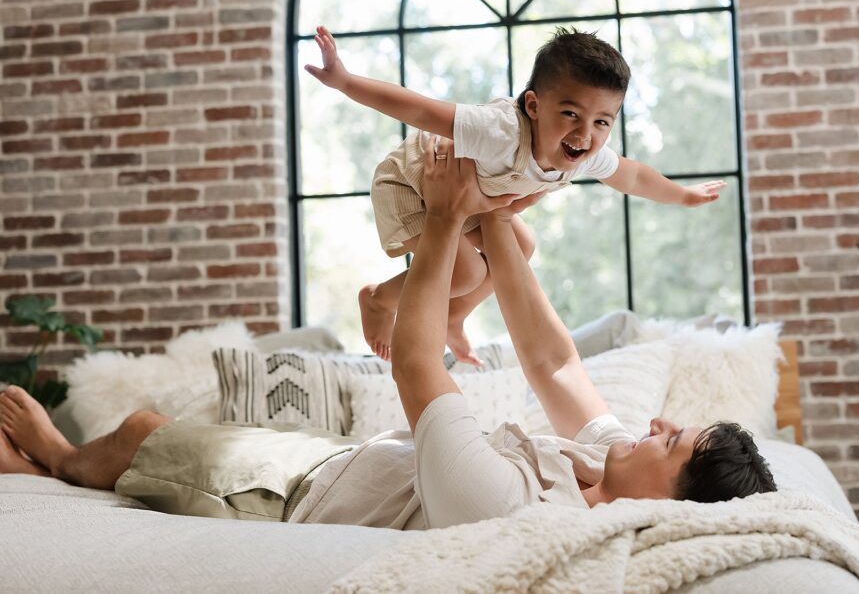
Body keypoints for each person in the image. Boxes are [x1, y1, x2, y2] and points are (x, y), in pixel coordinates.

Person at [0, 142, 774, 529]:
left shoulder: (513, 505)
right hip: (335, 461)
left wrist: (442, 220)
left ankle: (61, 461)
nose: (660, 423)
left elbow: (415, 367)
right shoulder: (595, 460)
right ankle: (36, 469)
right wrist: (494, 208)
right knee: (158, 435)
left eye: (674, 445)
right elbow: (552, 359)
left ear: (667, 508)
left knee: (140, 428)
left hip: (292, 497)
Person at [303, 25, 727, 365]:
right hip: (415, 184)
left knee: (523, 244)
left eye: (602, 121)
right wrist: (344, 81)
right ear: (534, 106)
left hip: (469, 199)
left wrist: (683, 196)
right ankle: (377, 299)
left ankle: (455, 314)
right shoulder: (499, 131)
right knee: (466, 273)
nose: (585, 133)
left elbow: (634, 177)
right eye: (570, 114)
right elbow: (419, 109)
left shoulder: (583, 153)